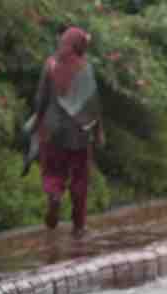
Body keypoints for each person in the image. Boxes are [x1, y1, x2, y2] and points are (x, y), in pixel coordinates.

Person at [25, 27, 103, 237]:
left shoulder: (50, 66)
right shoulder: (85, 68)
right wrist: (97, 133)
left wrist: (38, 122)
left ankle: (54, 197)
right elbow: (93, 106)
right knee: (80, 179)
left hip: (51, 132)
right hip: (79, 134)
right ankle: (78, 226)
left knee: (52, 172)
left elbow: (40, 99)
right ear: (80, 46)